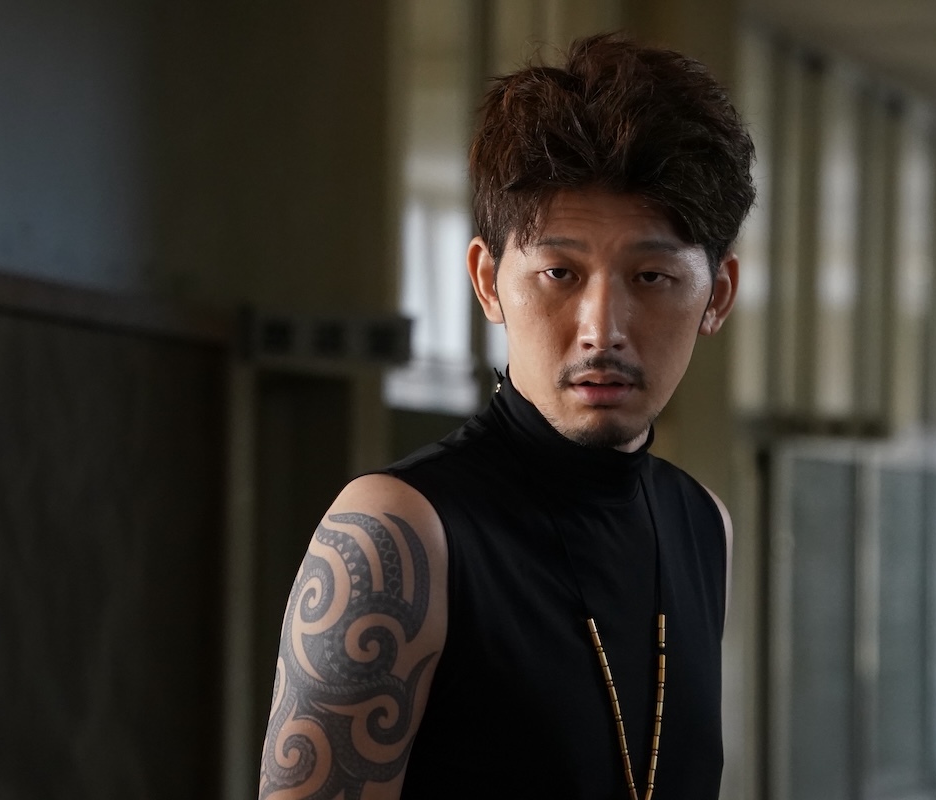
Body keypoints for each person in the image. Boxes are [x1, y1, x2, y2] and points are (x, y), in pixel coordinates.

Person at [258, 32, 755, 800]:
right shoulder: (399, 533)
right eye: (560, 272)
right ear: (488, 282)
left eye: (652, 277)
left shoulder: (701, 524)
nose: (601, 329)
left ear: (716, 296)